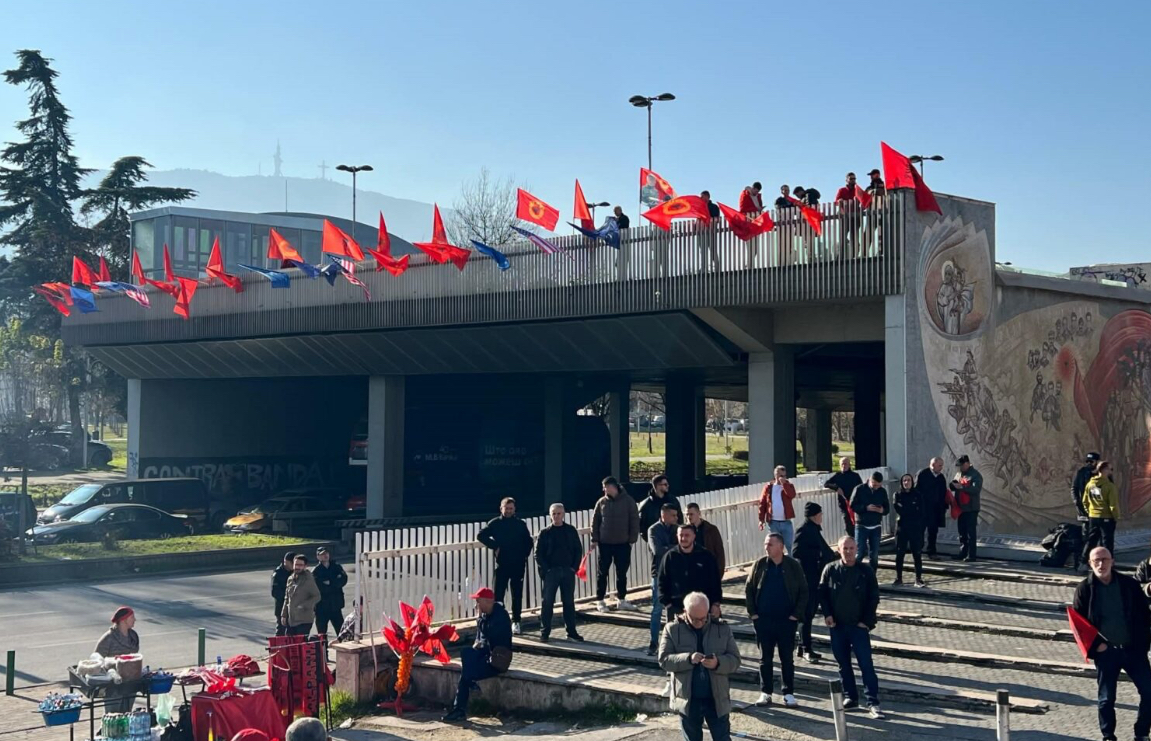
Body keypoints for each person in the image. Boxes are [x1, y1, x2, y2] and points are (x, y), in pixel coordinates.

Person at [1072, 547, 1151, 741]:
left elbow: (1144, 614)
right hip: (1107, 653)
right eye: (1096, 561)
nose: (1101, 564)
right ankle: (1108, 735)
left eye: (1104, 560)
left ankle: (1142, 733)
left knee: (1149, 692)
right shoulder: (1084, 589)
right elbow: (1078, 623)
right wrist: (1097, 646)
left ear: (1112, 561)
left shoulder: (1128, 585)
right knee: (1106, 699)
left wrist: (1142, 643)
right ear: (1090, 564)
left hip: (1133, 650)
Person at [658, 592, 741, 741]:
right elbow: (664, 660)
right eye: (695, 619)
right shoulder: (672, 629)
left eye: (703, 619)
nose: (699, 623)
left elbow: (735, 660)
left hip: (716, 699)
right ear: (685, 612)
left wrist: (718, 663)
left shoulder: (722, 628)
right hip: (688, 700)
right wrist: (688, 659)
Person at [820, 536, 883, 719]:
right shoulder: (830, 570)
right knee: (843, 665)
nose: (848, 552)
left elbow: (873, 597)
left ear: (857, 549)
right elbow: (822, 594)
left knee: (866, 665)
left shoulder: (865, 571)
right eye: (844, 548)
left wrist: (867, 621)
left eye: (851, 548)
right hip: (838, 626)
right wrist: (827, 614)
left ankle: (872, 701)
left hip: (859, 626)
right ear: (839, 550)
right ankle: (851, 697)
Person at [745, 533, 807, 708]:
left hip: (786, 621)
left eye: (770, 544)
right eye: (765, 544)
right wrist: (753, 614)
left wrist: (796, 614)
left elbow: (804, 591)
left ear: (781, 546)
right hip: (763, 620)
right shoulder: (759, 565)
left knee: (787, 658)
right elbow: (749, 589)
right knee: (765, 658)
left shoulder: (793, 566)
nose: (767, 547)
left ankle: (788, 693)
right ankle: (766, 692)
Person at [442, 587, 513, 722]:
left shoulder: (501, 616)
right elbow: (481, 640)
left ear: (488, 602)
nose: (477, 605)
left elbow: (490, 634)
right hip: (486, 656)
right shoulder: (486, 616)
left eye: (479, 602)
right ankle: (461, 704)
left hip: (498, 661)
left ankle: (459, 710)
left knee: (466, 675)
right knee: (466, 654)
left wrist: (479, 620)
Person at [477, 496, 534, 634]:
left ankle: (516, 622)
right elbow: (481, 535)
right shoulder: (495, 523)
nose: (508, 511)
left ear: (514, 509)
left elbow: (529, 542)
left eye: (511, 508)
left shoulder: (521, 524)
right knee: (498, 595)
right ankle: (497, 621)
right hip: (502, 564)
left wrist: (523, 555)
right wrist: (495, 546)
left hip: (518, 564)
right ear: (501, 509)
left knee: (517, 595)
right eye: (506, 508)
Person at [792, 501, 835, 663]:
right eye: (820, 514)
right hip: (808, 578)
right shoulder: (804, 529)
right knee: (806, 615)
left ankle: (803, 647)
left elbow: (824, 549)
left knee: (809, 614)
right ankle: (806, 648)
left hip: (816, 576)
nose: (822, 517)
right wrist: (817, 556)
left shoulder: (814, 529)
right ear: (815, 515)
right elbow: (796, 551)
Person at [534, 503, 585, 643]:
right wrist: (547, 570)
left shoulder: (570, 530)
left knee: (569, 602)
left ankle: (571, 632)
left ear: (563, 514)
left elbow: (578, 550)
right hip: (552, 572)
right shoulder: (544, 533)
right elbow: (538, 554)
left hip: (567, 571)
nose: (556, 516)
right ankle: (545, 632)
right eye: (554, 514)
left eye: (559, 513)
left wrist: (573, 568)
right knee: (547, 603)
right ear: (550, 515)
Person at [591, 476, 640, 612]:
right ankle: (600, 600)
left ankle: (622, 599)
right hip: (605, 543)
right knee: (602, 572)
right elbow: (595, 521)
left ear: (613, 487)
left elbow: (634, 520)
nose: (604, 489)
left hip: (623, 543)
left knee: (622, 572)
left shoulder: (628, 501)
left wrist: (632, 539)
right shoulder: (601, 502)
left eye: (605, 487)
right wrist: (595, 538)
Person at [659, 524, 722, 621]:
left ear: (694, 536)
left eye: (687, 535)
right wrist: (668, 604)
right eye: (681, 535)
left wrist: (716, 603)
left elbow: (715, 582)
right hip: (677, 608)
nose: (683, 538)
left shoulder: (706, 556)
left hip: (703, 608)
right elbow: (661, 582)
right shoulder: (670, 557)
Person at [647, 503, 680, 654]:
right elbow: (657, 550)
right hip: (659, 573)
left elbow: (684, 547)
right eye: (673, 515)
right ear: (664, 514)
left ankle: (672, 643)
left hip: (675, 572)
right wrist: (674, 547)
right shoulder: (653, 529)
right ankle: (653, 643)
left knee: (674, 608)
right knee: (657, 609)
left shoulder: (678, 529)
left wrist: (670, 547)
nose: (676, 518)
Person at [95, 607, 140, 711]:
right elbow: (97, 660)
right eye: (132, 617)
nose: (135, 620)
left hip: (130, 682)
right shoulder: (108, 638)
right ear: (124, 620)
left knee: (127, 713)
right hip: (113, 685)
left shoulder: (133, 636)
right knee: (113, 716)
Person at [850, 472, 889, 570]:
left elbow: (887, 508)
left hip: (876, 525)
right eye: (874, 485)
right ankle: (855, 576)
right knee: (859, 553)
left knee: (874, 555)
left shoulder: (882, 491)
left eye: (879, 485)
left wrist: (882, 510)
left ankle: (872, 578)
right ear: (869, 480)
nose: (876, 487)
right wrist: (865, 508)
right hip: (862, 525)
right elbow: (852, 505)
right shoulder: (859, 489)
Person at [893, 474, 926, 587]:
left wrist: (907, 509)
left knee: (917, 553)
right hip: (902, 528)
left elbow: (921, 512)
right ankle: (898, 578)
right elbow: (898, 509)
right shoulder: (897, 495)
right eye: (904, 481)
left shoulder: (918, 495)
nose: (906, 482)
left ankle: (918, 578)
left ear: (912, 482)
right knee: (899, 553)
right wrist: (911, 509)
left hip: (915, 528)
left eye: (908, 480)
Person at [1083, 460, 1120, 560]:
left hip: (1093, 517)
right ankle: (1109, 563)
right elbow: (1113, 505)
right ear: (1104, 470)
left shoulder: (1090, 484)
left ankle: (1083, 561)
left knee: (1091, 540)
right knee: (1107, 542)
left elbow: (1085, 501)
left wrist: (1090, 511)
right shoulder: (1109, 486)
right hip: (1106, 517)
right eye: (1110, 469)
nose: (1111, 472)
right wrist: (1116, 517)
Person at [949, 455, 983, 562]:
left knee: (970, 533)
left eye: (962, 465)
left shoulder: (975, 475)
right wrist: (953, 485)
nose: (960, 468)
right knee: (962, 532)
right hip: (960, 508)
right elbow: (953, 484)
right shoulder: (959, 474)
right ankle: (962, 552)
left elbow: (976, 489)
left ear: (967, 464)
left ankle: (971, 555)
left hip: (971, 508)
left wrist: (962, 487)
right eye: (959, 466)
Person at [757, 465, 796, 553]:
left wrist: (784, 484)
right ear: (775, 476)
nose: (782, 478)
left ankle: (792, 565)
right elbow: (762, 503)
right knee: (774, 546)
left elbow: (791, 495)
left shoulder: (789, 485)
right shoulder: (768, 487)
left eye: (784, 476)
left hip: (786, 522)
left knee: (790, 546)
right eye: (780, 476)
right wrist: (761, 519)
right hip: (773, 522)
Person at [282, 553, 321, 636]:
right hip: (291, 619)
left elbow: (317, 596)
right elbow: (287, 598)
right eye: (296, 564)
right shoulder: (290, 579)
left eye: (300, 565)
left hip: (304, 620)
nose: (297, 567)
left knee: (299, 645)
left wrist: (303, 605)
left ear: (305, 566)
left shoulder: (308, 579)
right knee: (289, 643)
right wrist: (284, 615)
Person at [916, 457, 948, 558]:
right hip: (923, 508)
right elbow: (916, 490)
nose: (941, 468)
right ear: (933, 465)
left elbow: (943, 493)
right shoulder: (923, 474)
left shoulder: (941, 477)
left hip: (935, 510)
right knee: (920, 530)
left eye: (942, 465)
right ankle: (917, 550)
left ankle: (932, 551)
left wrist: (944, 507)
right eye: (940, 465)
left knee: (933, 531)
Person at [312, 546, 348, 636]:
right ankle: (324, 649)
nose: (325, 555)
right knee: (322, 632)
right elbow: (319, 587)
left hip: (335, 605)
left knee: (341, 630)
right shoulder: (316, 571)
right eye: (322, 554)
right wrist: (334, 582)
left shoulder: (336, 567)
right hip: (321, 606)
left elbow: (343, 579)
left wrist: (330, 582)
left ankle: (343, 648)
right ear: (318, 557)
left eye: (326, 553)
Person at [686, 502, 726, 580]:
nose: (688, 517)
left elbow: (719, 552)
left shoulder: (711, 530)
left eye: (691, 514)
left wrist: (719, 572)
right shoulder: (684, 532)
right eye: (687, 514)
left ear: (699, 514)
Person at [639, 474, 682, 543]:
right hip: (656, 541)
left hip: (674, 541)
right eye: (665, 484)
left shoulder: (673, 500)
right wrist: (651, 540)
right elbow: (642, 527)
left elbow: (680, 519)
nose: (668, 486)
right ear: (657, 486)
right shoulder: (646, 505)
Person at [824, 457, 862, 535]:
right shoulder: (838, 475)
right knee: (848, 523)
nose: (844, 466)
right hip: (844, 504)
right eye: (842, 464)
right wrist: (836, 488)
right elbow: (826, 484)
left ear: (849, 465)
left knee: (857, 523)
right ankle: (851, 540)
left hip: (856, 504)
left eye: (845, 464)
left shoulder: (855, 476)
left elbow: (861, 488)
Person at [834, 172, 862, 257]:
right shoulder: (842, 190)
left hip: (855, 216)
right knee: (843, 236)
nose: (853, 181)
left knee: (855, 236)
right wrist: (840, 201)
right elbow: (836, 201)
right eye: (851, 179)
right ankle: (841, 256)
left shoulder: (858, 190)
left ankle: (854, 255)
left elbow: (863, 200)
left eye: (854, 179)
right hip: (845, 216)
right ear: (846, 180)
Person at [271, 551, 294, 637]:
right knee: (281, 630)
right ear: (286, 562)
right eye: (292, 563)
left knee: (291, 632)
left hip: (293, 609)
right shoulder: (278, 574)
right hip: (281, 607)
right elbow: (275, 592)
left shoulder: (294, 572)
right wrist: (289, 596)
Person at [1074, 452, 1102, 522]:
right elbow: (1074, 487)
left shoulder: (1102, 473)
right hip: (1083, 505)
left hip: (1097, 506)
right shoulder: (1082, 472)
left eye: (1091, 461)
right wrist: (1076, 500)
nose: (1089, 463)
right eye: (1087, 461)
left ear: (1097, 462)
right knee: (1085, 528)